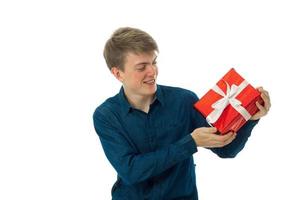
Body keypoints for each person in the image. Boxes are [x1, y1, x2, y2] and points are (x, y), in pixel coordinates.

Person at [93, 27, 271, 200]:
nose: (152, 71)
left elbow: (226, 149)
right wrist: (190, 143)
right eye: (141, 67)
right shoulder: (106, 116)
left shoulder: (184, 100)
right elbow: (131, 171)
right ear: (118, 73)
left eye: (154, 62)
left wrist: (249, 117)